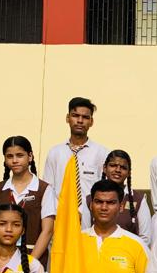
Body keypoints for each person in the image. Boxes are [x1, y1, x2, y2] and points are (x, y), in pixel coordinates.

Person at [0, 136, 56, 265]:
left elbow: (47, 230)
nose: (15, 160)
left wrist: (30, 263)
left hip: (33, 263)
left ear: (30, 156)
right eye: (10, 156)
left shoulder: (44, 189)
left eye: (20, 155)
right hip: (0, 263)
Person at [41, 97, 108, 229]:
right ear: (67, 118)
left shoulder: (102, 153)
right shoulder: (55, 153)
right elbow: (49, 191)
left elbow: (104, 190)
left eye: (85, 117)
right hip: (60, 221)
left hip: (91, 222)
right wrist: (62, 214)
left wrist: (85, 213)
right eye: (75, 115)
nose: (80, 121)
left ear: (91, 122)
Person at [105, 150, 152, 245]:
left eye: (123, 167)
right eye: (113, 165)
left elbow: (145, 238)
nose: (118, 170)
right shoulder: (91, 199)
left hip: (128, 257)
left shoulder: (138, 199)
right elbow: (85, 233)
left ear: (129, 173)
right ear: (104, 168)